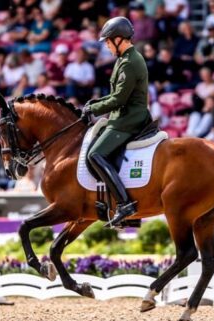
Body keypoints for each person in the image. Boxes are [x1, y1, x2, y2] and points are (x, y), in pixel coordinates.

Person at [81, 17, 151, 228]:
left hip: (129, 119)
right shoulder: (123, 59)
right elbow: (115, 95)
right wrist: (93, 103)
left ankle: (125, 204)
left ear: (119, 39)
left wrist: (93, 109)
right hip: (122, 115)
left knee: (95, 154)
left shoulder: (130, 62)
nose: (107, 46)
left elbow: (119, 100)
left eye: (108, 41)